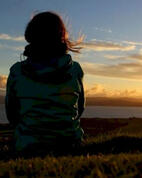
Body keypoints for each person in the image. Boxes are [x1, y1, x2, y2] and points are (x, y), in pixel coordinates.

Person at [5, 11, 85, 154]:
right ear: (61, 36)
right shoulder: (74, 70)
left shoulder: (17, 72)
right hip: (70, 144)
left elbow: (12, 115)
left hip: (27, 146)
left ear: (30, 35)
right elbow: (79, 110)